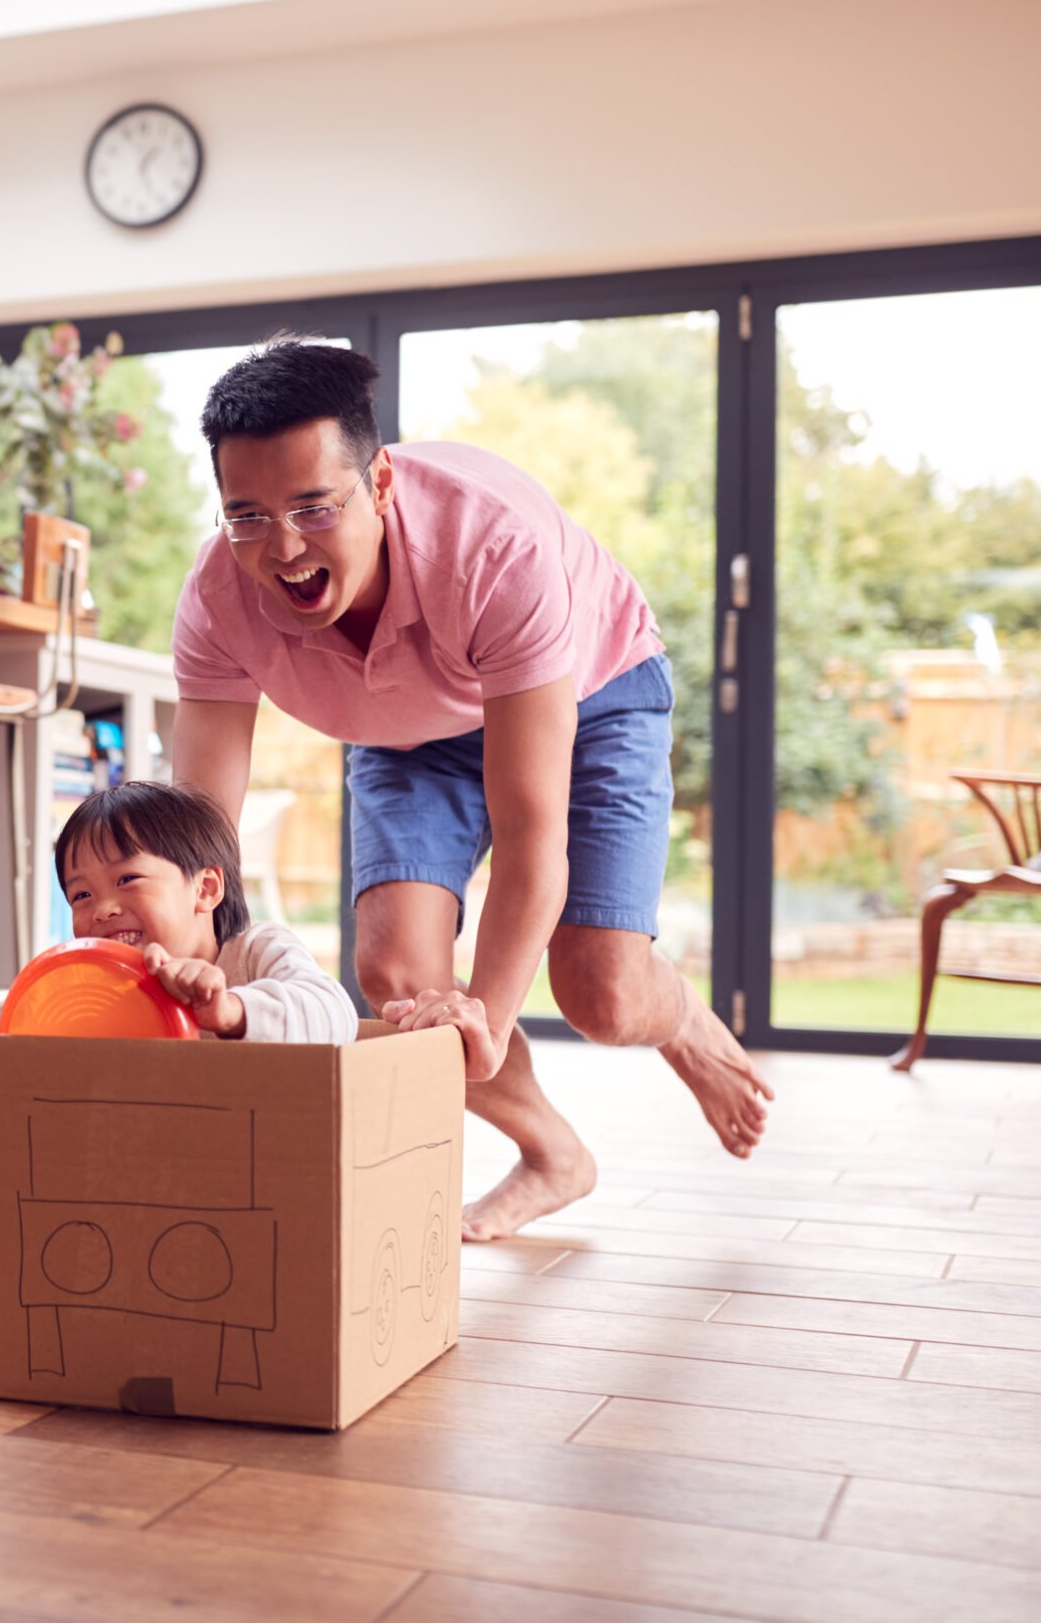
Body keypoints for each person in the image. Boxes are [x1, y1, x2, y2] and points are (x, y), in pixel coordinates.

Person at [169, 338, 773, 1240]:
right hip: (410, 731)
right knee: (402, 979)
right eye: (247, 516)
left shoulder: (493, 548)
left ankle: (679, 1014)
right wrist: (187, 978)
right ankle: (552, 1152)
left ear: (378, 485)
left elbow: (532, 833)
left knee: (599, 995)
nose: (282, 548)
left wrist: (488, 1011)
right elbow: (200, 843)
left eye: (312, 507)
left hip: (592, 688)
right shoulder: (220, 598)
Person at [56, 780, 490, 1063]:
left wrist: (231, 1011)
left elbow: (334, 1014)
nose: (103, 909)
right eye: (81, 894)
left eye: (127, 879)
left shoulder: (257, 952)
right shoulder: (95, 988)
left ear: (205, 890)